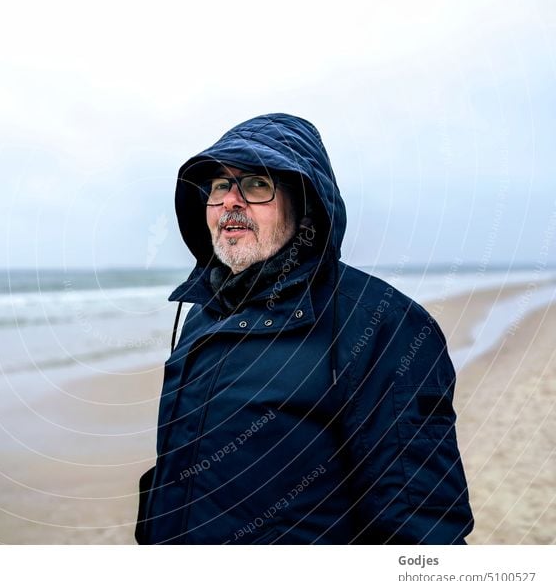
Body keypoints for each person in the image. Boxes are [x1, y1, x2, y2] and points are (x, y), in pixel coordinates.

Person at [135, 113, 474, 544]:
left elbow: (421, 528)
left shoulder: (380, 324)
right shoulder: (204, 314)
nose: (230, 202)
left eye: (257, 184)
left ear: (304, 204)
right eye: (220, 185)